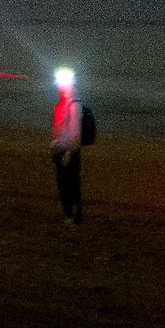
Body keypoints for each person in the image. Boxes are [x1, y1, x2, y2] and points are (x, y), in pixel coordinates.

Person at [48, 67, 95, 223]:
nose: (59, 86)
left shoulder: (73, 105)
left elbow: (74, 133)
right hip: (62, 150)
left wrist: (68, 151)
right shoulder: (63, 104)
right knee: (66, 183)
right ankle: (70, 214)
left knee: (69, 183)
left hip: (68, 151)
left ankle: (72, 215)